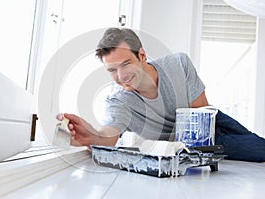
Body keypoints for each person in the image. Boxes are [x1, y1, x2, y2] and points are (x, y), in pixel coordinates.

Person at [60, 27, 265, 162]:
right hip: (186, 146)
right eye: (112, 70)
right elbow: (109, 135)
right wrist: (89, 136)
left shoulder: (178, 64)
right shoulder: (119, 102)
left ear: (141, 55)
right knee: (261, 150)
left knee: (258, 145)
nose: (121, 76)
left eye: (125, 64)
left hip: (208, 122)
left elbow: (201, 114)